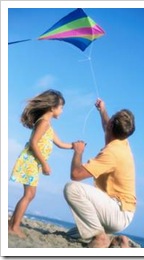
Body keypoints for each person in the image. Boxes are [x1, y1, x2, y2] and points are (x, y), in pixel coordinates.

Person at [64, 98, 136, 248]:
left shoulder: (112, 152)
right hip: (117, 211)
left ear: (111, 126)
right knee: (70, 235)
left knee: (71, 188)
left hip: (117, 212)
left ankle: (101, 238)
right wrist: (102, 110)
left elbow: (76, 174)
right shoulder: (122, 141)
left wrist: (78, 152)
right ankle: (114, 241)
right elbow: (107, 125)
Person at [9, 89, 74, 238]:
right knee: (29, 194)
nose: (62, 111)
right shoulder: (44, 123)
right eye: (61, 107)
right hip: (31, 161)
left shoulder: (48, 125)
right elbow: (33, 143)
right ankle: (14, 227)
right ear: (52, 107)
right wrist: (45, 164)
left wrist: (74, 145)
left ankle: (12, 223)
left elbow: (60, 143)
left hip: (34, 162)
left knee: (30, 194)